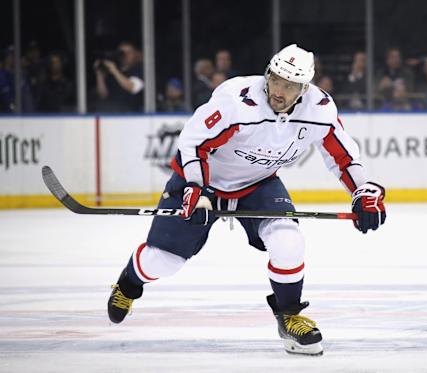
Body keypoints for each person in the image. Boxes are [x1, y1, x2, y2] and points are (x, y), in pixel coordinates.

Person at [107, 44, 387, 356]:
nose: (279, 91)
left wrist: (364, 192)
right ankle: (128, 285)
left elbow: (343, 157)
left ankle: (290, 317)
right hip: (205, 181)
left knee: (288, 239)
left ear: (304, 89)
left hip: (258, 183)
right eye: (276, 80)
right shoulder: (237, 101)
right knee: (164, 261)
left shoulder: (319, 109)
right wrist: (196, 188)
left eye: (290, 85)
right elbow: (194, 143)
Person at [94, 41, 144, 112]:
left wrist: (115, 71)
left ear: (135, 54)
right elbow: (103, 95)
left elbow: (132, 87)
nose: (125, 55)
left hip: (132, 114)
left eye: (129, 52)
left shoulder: (140, 70)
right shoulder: (113, 71)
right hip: (112, 112)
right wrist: (99, 75)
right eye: (122, 53)